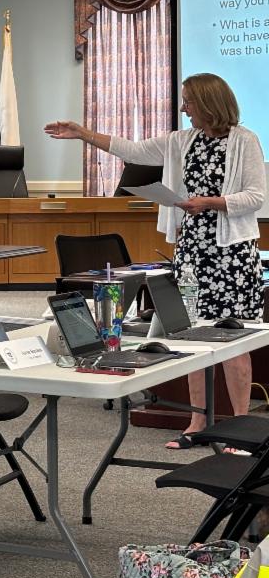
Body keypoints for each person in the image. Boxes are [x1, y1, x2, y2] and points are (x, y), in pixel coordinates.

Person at [46, 72, 264, 450]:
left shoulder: (245, 141)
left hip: (231, 255)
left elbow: (256, 197)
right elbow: (133, 150)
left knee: (233, 340)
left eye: (188, 102)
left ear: (209, 103)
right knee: (190, 335)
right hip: (193, 252)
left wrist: (211, 202)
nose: (183, 108)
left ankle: (240, 427)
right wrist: (83, 133)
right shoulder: (182, 140)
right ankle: (197, 422)